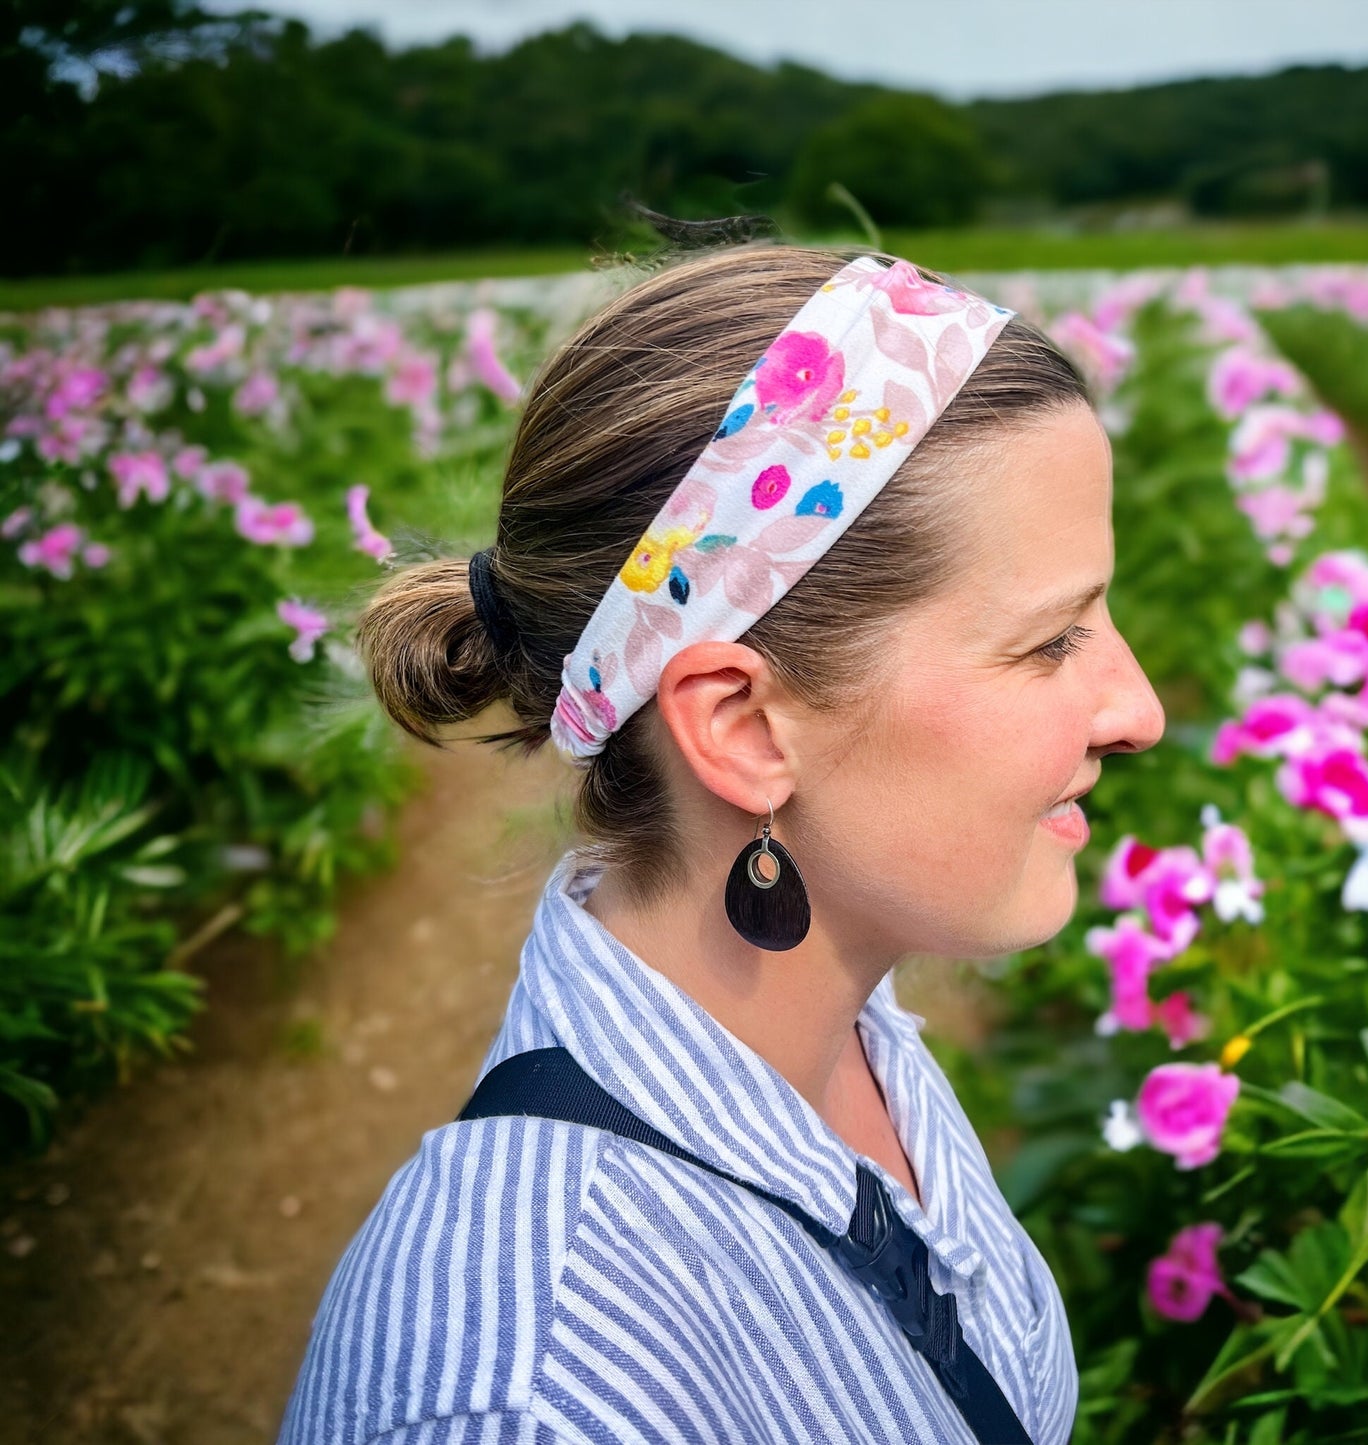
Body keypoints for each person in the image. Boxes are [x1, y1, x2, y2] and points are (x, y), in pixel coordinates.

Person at [276, 243, 1166, 1445]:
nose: (1139, 709)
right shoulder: (528, 1395)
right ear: (742, 728)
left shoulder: (836, 1027)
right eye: (1048, 641)